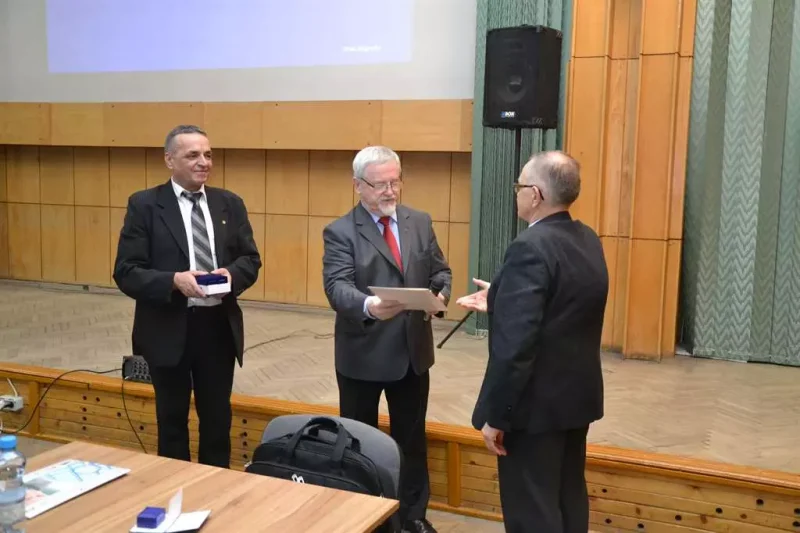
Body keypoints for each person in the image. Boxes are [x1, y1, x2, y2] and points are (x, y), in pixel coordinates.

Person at [457, 151, 608, 533]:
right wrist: (503, 296)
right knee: (567, 498)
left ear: (536, 195)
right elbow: (565, 306)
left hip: (533, 409)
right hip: (575, 399)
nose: (517, 193)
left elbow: (516, 348)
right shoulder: (587, 238)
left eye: (519, 186)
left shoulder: (529, 247)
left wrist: (497, 416)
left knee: (533, 513)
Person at [113, 124, 261, 468]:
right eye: (193, 155)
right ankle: (175, 488)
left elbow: (250, 260)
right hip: (168, 328)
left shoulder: (230, 204)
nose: (203, 162)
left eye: (208, 155)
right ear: (169, 160)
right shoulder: (145, 205)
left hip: (217, 328)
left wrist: (232, 275)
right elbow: (126, 271)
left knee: (217, 422)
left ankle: (216, 488)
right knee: (172, 422)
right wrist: (173, 281)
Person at [322, 146, 452, 533]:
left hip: (412, 353)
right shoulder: (341, 231)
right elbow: (337, 287)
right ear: (358, 185)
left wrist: (439, 297)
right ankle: (365, 515)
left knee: (412, 441)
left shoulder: (419, 221)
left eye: (395, 182)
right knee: (359, 442)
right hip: (363, 353)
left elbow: (440, 271)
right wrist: (369, 306)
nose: (390, 191)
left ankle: (413, 516)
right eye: (380, 184)